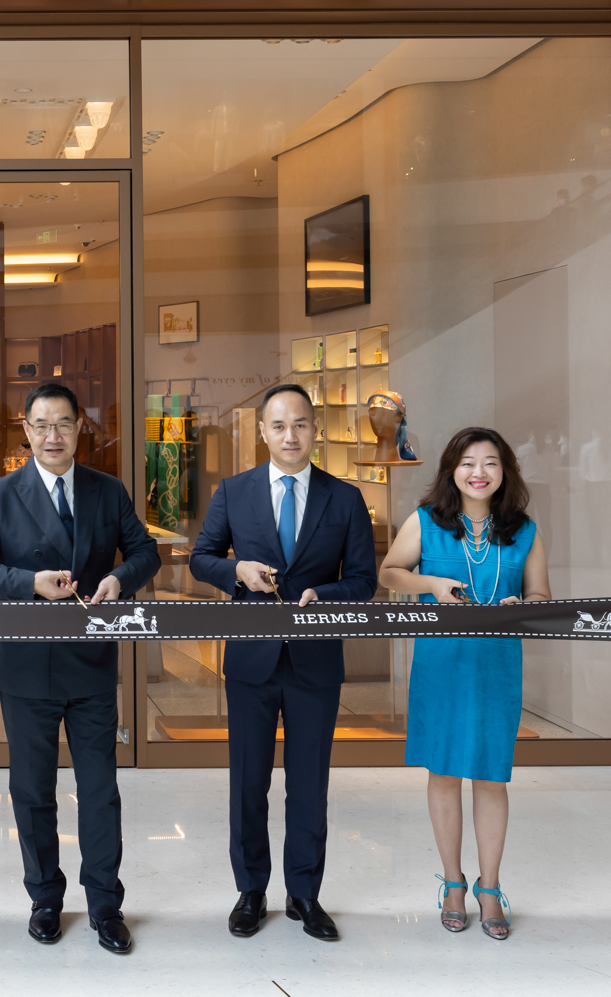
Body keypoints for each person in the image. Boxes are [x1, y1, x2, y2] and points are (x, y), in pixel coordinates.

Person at [0, 383, 160, 955]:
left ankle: (105, 905)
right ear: (26, 430)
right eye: (41, 425)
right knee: (33, 789)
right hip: (27, 664)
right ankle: (44, 899)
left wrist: (119, 578)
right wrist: (28, 584)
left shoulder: (107, 490)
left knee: (100, 790)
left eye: (63, 424)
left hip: (91, 663)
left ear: (79, 428)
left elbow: (146, 552)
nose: (53, 436)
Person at [187, 382, 375, 943]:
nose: (290, 435)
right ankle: (251, 891)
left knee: (309, 783)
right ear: (262, 432)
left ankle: (304, 894)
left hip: (316, 659)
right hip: (252, 659)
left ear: (315, 430)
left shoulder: (345, 498)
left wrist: (325, 595)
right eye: (279, 425)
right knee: (249, 781)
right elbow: (200, 558)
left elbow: (363, 580)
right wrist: (236, 571)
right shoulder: (233, 492)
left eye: (300, 424)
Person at [379, 427, 551, 941]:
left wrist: (525, 606)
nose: (479, 472)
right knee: (444, 772)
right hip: (441, 664)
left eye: (490, 463)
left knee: (492, 777)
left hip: (497, 666)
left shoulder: (525, 531)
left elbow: (542, 595)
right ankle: (453, 883)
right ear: (452, 470)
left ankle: (490, 887)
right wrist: (429, 583)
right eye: (468, 463)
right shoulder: (427, 521)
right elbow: (389, 573)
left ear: (505, 472)